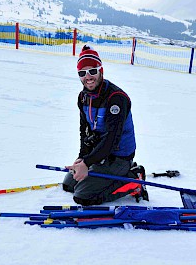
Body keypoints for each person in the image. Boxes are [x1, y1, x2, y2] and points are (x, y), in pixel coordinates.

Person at [63, 45, 148, 205]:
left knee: (83, 196)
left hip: (118, 157)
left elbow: (111, 140)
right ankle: (101, 174)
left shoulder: (116, 98)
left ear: (100, 70)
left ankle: (134, 179)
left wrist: (87, 163)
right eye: (82, 73)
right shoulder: (83, 98)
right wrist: (82, 158)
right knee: (69, 185)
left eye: (92, 71)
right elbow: (85, 132)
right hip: (100, 152)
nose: (88, 77)